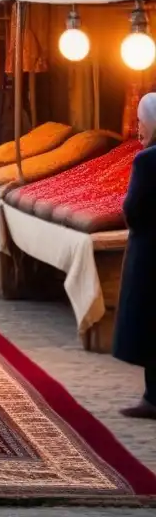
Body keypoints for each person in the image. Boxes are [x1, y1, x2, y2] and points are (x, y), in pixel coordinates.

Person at [113, 93, 156, 420]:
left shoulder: (147, 161)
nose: (137, 127)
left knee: (149, 321)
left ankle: (153, 398)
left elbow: (133, 209)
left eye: (141, 121)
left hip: (150, 253)